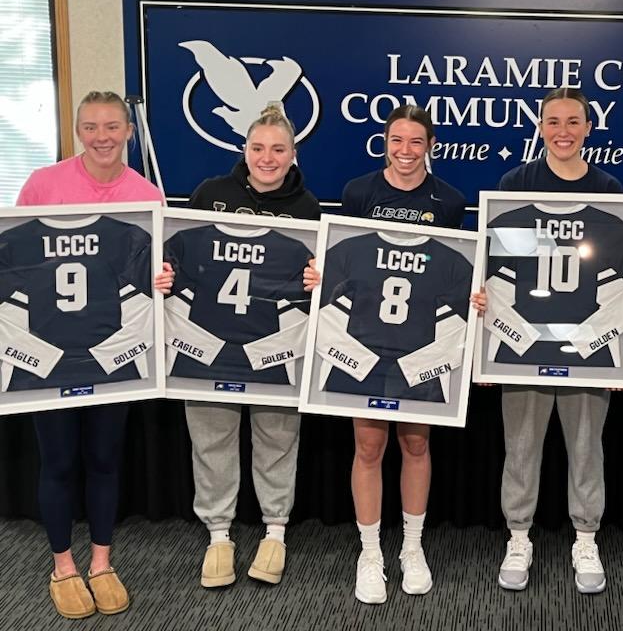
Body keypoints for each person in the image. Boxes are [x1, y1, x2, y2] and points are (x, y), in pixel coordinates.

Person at [16, 90, 172, 619]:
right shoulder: (43, 184)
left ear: (128, 131)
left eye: (111, 126)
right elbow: (16, 265)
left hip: (113, 351)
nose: (101, 137)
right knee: (59, 460)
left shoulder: (147, 195)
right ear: (77, 130)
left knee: (105, 459)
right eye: (90, 127)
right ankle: (63, 566)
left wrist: (162, 279)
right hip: (51, 351)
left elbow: (150, 273)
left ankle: (102, 562)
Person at [471, 87, 623, 595]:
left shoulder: (607, 190)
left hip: (586, 345)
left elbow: (617, 275)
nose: (563, 131)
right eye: (553, 121)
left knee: (586, 447)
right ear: (540, 127)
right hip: (525, 344)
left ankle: (586, 538)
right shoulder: (515, 185)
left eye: (573, 121)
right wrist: (492, 346)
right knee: (520, 446)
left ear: (588, 128)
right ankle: (519, 537)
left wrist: (619, 352)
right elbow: (499, 273)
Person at [182, 104, 320, 590]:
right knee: (211, 440)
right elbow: (182, 259)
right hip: (210, 342)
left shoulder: (307, 207)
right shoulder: (210, 194)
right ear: (244, 150)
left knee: (277, 440)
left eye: (278, 149)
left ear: (293, 153)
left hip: (274, 347)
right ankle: (219, 535)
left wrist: (316, 281)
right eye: (258, 147)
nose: (267, 158)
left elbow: (311, 282)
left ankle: (275, 532)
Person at [340, 104, 466, 604]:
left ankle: (412, 548)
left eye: (416, 141)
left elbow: (455, 275)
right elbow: (345, 265)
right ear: (385, 143)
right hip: (367, 341)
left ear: (430, 146)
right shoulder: (359, 192)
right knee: (368, 447)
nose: (406, 150)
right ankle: (370, 553)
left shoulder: (449, 200)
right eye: (397, 140)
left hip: (420, 345)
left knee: (415, 445)